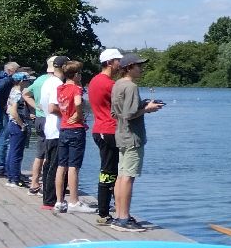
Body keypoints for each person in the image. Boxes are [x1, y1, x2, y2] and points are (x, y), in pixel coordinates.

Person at [110, 54, 163, 231]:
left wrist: (142, 104)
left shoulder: (117, 84)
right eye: (139, 66)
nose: (142, 69)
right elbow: (129, 114)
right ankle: (124, 219)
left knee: (121, 175)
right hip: (132, 137)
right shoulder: (131, 86)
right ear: (130, 67)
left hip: (121, 135)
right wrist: (147, 109)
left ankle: (119, 215)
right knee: (128, 177)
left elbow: (115, 112)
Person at [51, 61, 96, 215]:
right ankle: (74, 201)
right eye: (80, 73)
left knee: (61, 165)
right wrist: (78, 114)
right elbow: (77, 101)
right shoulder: (76, 88)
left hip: (63, 128)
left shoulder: (60, 88)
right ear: (76, 75)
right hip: (76, 130)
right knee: (73, 167)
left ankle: (59, 201)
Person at [87, 48, 124, 225]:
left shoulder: (95, 80)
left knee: (109, 171)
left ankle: (111, 209)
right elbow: (124, 106)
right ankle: (104, 213)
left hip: (100, 129)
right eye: (118, 60)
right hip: (108, 130)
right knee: (109, 172)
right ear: (110, 63)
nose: (121, 64)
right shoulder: (109, 84)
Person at [30, 55, 67, 210]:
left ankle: (47, 198)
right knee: (55, 165)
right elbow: (53, 107)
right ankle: (51, 200)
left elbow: (43, 105)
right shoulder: (57, 83)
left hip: (49, 126)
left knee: (49, 163)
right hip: (56, 128)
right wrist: (70, 114)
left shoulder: (47, 81)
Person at [2, 70, 35, 187]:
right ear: (21, 81)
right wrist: (22, 125)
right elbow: (13, 111)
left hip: (12, 124)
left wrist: (28, 115)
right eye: (27, 80)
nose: (28, 83)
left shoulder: (13, 91)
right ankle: (14, 179)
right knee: (17, 153)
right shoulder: (17, 93)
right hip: (16, 125)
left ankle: (11, 177)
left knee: (12, 152)